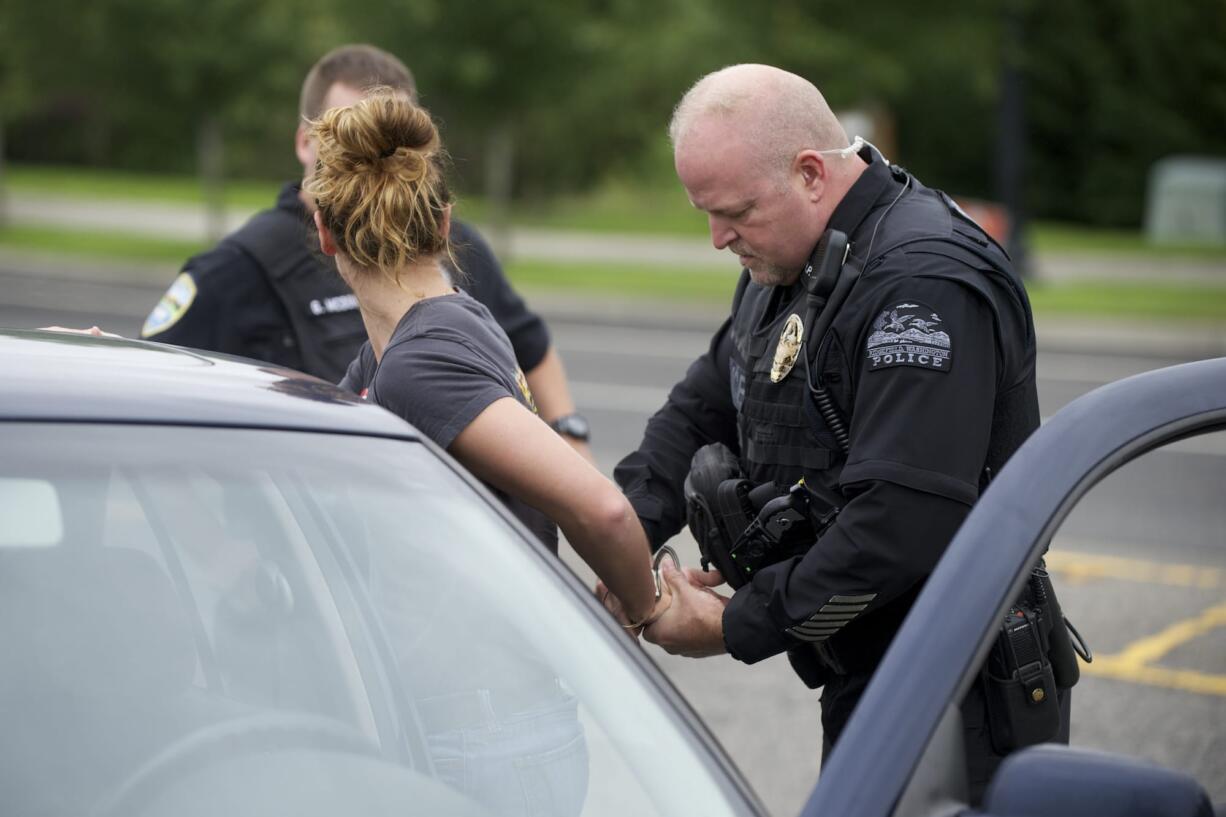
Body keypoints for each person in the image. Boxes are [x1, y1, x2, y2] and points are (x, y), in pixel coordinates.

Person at [604, 64, 1072, 801]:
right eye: (706, 211)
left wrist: (731, 625)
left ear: (812, 174)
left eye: (734, 212)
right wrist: (621, 533)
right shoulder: (795, 257)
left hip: (954, 690)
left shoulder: (921, 284)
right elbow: (704, 405)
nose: (717, 237)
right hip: (871, 673)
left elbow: (903, 524)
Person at [304, 89, 668, 815]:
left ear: (323, 232)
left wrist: (644, 606)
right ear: (444, 222)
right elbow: (295, 425)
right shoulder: (400, 352)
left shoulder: (422, 359)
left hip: (488, 740)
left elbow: (599, 505)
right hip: (468, 727)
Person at [140, 44, 593, 457]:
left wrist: (569, 438)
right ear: (304, 143)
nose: (374, 162)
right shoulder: (238, 267)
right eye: (350, 136)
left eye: (392, 147)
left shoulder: (455, 244)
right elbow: (148, 387)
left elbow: (531, 348)